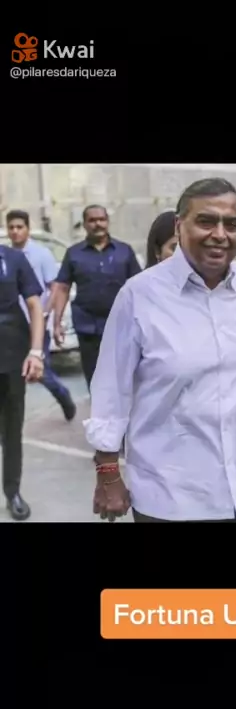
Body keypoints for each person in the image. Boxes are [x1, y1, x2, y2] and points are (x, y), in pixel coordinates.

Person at [83, 178, 236, 522]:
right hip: (174, 495)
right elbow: (111, 390)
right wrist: (108, 473)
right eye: (206, 221)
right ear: (179, 225)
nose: (220, 234)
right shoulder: (138, 295)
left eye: (231, 224)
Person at [52, 205, 142, 391]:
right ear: (84, 224)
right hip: (88, 328)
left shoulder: (124, 251)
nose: (97, 224)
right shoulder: (74, 253)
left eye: (101, 219)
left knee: (124, 378)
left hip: (121, 325)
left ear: (107, 222)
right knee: (94, 379)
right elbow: (62, 287)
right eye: (92, 220)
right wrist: (57, 323)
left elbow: (139, 287)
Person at [6, 210, 76, 421]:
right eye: (11, 227)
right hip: (14, 326)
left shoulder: (41, 254)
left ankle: (64, 397)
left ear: (28, 229)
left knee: (40, 372)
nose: (15, 231)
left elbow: (54, 286)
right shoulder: (7, 257)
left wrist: (46, 312)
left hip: (37, 323)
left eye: (20, 227)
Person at [0, 243, 45, 520]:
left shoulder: (13, 259)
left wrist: (36, 352)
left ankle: (12, 492)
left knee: (12, 429)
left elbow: (34, 305)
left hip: (11, 353)